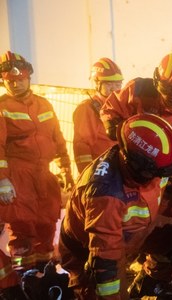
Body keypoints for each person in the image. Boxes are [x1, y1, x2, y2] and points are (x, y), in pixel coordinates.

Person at [59, 113, 172, 299]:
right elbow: (105, 262)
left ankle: (148, 283)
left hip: (131, 234)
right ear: (139, 169)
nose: (161, 177)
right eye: (158, 173)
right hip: (89, 250)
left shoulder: (157, 159)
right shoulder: (106, 195)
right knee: (104, 292)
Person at [0, 51, 74, 273]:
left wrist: (66, 170)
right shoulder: (3, 107)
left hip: (44, 174)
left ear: (28, 77)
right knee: (23, 227)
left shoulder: (43, 104)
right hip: (18, 174)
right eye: (10, 81)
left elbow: (58, 138)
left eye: (20, 79)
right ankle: (24, 278)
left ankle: (45, 275)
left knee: (47, 224)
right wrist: (3, 180)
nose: (16, 84)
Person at [100, 51, 172, 139]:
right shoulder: (138, 90)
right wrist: (111, 125)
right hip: (129, 149)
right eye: (166, 89)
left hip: (163, 159)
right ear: (156, 82)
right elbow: (112, 107)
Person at [73, 57, 123, 173]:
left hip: (119, 170)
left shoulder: (121, 107)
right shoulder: (86, 109)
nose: (115, 89)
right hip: (102, 172)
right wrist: (87, 174)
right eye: (110, 84)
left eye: (118, 84)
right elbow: (82, 146)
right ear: (96, 84)